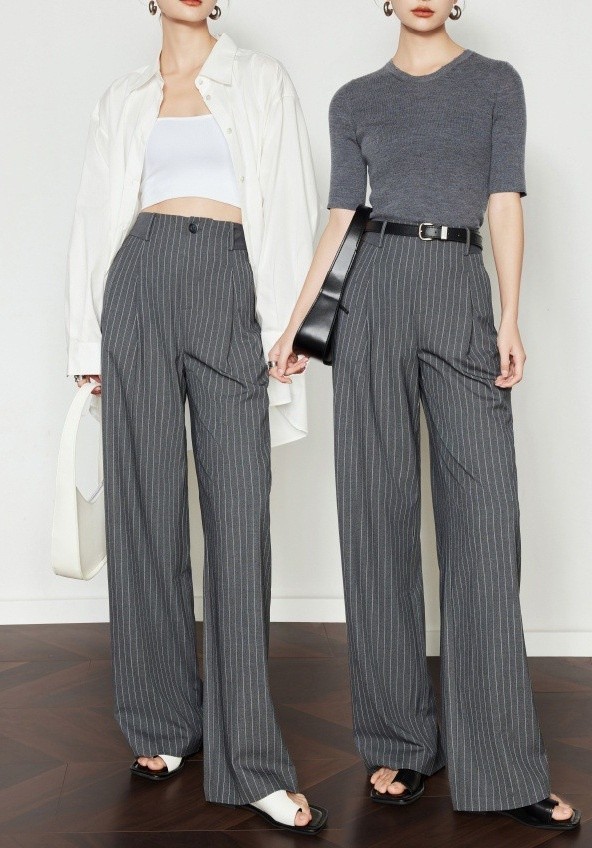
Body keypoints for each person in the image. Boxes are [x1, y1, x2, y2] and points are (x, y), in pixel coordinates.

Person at [269, 0, 580, 832]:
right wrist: (298, 325)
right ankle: (400, 741)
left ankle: (503, 765)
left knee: (486, 520)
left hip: (457, 286)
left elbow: (504, 200)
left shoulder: (495, 83)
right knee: (377, 514)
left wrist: (509, 315)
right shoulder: (354, 99)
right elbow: (341, 218)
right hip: (371, 296)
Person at [63, 0, 326, 835]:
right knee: (144, 506)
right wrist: (87, 340)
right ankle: (162, 720)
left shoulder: (260, 79)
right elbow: (94, 218)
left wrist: (291, 326)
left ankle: (251, 760)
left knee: (240, 518)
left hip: (227, 280)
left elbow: (292, 203)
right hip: (137, 284)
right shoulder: (124, 95)